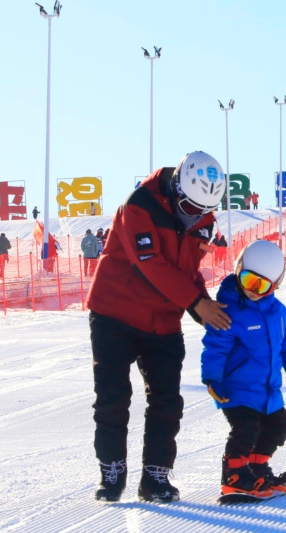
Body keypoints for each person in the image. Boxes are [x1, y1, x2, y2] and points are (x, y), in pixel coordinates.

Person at [86, 151, 231, 503]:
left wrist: (205, 311)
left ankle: (156, 477)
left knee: (167, 401)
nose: (196, 215)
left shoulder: (204, 220)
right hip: (114, 313)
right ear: (176, 186)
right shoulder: (138, 206)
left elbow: (188, 271)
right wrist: (196, 304)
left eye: (203, 210)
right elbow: (150, 263)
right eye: (190, 206)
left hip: (164, 321)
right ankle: (112, 472)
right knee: (113, 398)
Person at [201, 240, 286, 498]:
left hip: (267, 391)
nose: (253, 290)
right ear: (238, 268)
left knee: (279, 424)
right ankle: (234, 476)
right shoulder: (226, 311)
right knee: (246, 429)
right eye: (249, 279)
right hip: (236, 390)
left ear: (275, 285)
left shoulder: (279, 312)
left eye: (262, 285)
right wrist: (212, 378)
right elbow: (215, 348)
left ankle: (256, 468)